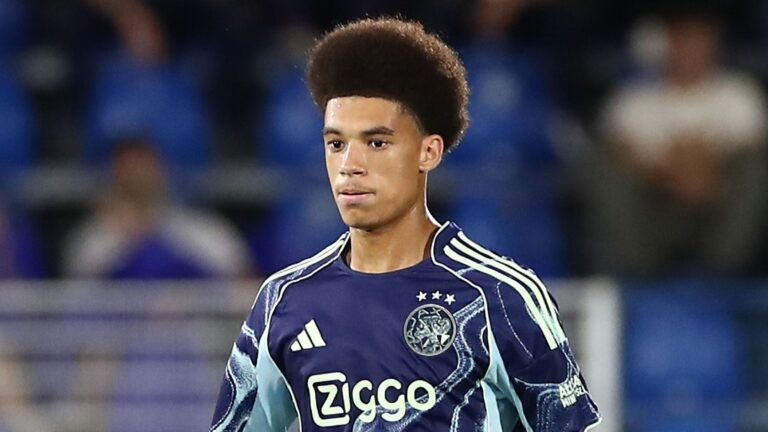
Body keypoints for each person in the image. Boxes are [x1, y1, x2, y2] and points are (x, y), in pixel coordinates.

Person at [210, 18, 600, 431]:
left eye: (376, 143)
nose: (349, 165)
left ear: (428, 152)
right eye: (336, 144)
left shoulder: (500, 296)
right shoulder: (284, 301)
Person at [588, 5, 768, 277]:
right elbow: (619, 155)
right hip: (655, 210)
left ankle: (725, 272)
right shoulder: (633, 99)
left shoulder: (739, 93)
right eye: (682, 39)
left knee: (756, 169)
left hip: (720, 207)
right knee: (605, 168)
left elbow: (751, 150)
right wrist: (671, 173)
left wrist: (703, 170)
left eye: (699, 39)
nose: (690, 49)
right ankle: (640, 275)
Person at [63, 139, 251, 279]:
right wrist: (131, 234)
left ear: (163, 170)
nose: (137, 176)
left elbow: (241, 281)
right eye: (128, 169)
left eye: (144, 166)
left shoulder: (203, 229)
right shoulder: (93, 239)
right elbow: (75, 296)